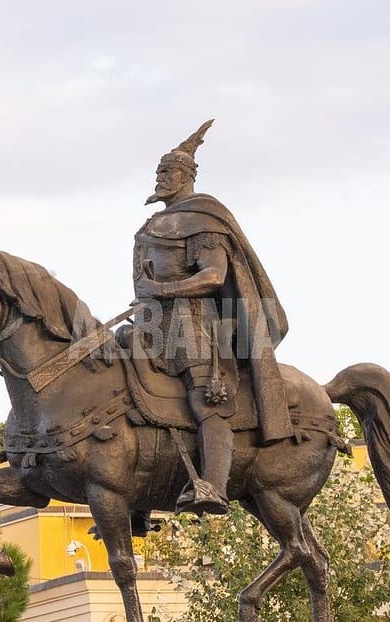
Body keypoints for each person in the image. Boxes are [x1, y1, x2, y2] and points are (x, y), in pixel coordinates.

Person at [127, 120, 292, 515]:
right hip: (152, 322)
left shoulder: (203, 219)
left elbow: (214, 276)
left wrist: (165, 291)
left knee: (205, 402)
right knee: (123, 389)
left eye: (167, 173)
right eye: (158, 172)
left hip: (195, 325)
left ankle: (213, 487)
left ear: (186, 177)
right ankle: (137, 501)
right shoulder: (151, 225)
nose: (160, 178)